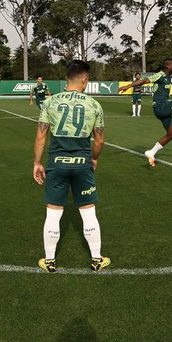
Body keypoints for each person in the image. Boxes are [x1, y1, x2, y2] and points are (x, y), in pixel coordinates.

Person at [33, 60, 108, 273]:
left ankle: (49, 261)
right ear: (84, 80)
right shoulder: (94, 105)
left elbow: (41, 137)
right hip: (82, 161)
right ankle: (96, 259)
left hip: (57, 162)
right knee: (88, 211)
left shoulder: (50, 102)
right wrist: (93, 159)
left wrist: (37, 163)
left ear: (67, 78)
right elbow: (100, 141)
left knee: (53, 213)